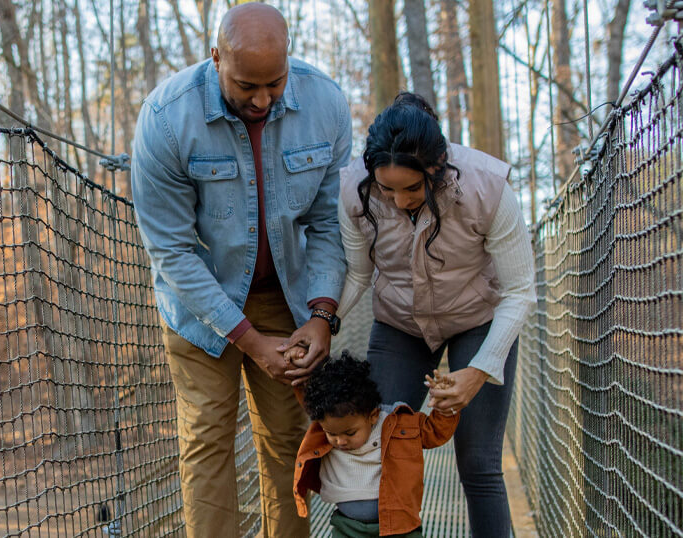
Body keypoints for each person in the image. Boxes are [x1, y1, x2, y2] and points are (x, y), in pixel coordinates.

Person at [130, 3, 351, 534]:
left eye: (274, 84)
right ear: (216, 60)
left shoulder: (326, 104)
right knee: (208, 437)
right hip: (199, 302)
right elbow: (173, 251)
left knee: (289, 439)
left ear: (289, 60)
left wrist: (322, 315)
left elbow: (329, 225)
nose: (261, 99)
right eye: (246, 85)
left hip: (288, 298)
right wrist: (249, 340)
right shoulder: (165, 118)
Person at [308, 92, 537, 536]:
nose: (398, 201)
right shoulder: (353, 190)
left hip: (478, 320)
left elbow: (520, 291)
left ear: (438, 167)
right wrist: (323, 322)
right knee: (378, 444)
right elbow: (358, 274)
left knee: (479, 461)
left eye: (412, 188)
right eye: (386, 188)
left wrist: (479, 371)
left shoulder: (487, 188)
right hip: (400, 325)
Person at [290, 352, 459, 537]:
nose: (340, 441)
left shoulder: (398, 425)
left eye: (350, 433)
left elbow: (434, 432)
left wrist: (445, 406)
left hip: (400, 528)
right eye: (332, 434)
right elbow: (307, 399)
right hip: (347, 527)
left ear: (373, 416)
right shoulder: (326, 427)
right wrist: (295, 363)